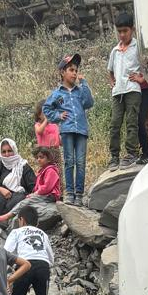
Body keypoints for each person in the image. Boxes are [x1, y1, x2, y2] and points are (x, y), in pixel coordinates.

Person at [42, 55, 94, 205]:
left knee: (81, 162)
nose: (74, 73)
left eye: (76, 70)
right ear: (62, 72)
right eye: (71, 70)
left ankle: (79, 194)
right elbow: (46, 108)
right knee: (69, 161)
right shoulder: (57, 93)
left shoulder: (79, 91)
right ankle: (70, 192)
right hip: (67, 131)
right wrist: (58, 116)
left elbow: (89, 103)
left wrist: (83, 83)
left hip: (81, 131)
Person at [4, 205, 53, 295]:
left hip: (25, 265)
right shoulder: (43, 234)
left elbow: (6, 253)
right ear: (37, 223)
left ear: (21, 220)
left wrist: (10, 275)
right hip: (43, 266)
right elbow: (51, 258)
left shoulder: (17, 232)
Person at [107, 14, 143, 170]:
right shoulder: (115, 50)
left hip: (132, 90)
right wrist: (111, 82)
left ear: (132, 30)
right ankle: (114, 156)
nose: (122, 34)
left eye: (125, 31)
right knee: (115, 123)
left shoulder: (137, 47)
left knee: (131, 122)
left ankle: (131, 153)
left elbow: (147, 65)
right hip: (117, 92)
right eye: (119, 31)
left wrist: (141, 79)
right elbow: (110, 70)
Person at [0, 139, 34, 220]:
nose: (7, 154)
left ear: (14, 150)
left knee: (18, 200)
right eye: (4, 152)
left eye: (9, 151)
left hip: (19, 196)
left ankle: (9, 222)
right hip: (1, 196)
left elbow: (33, 187)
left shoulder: (23, 166)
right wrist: (1, 189)